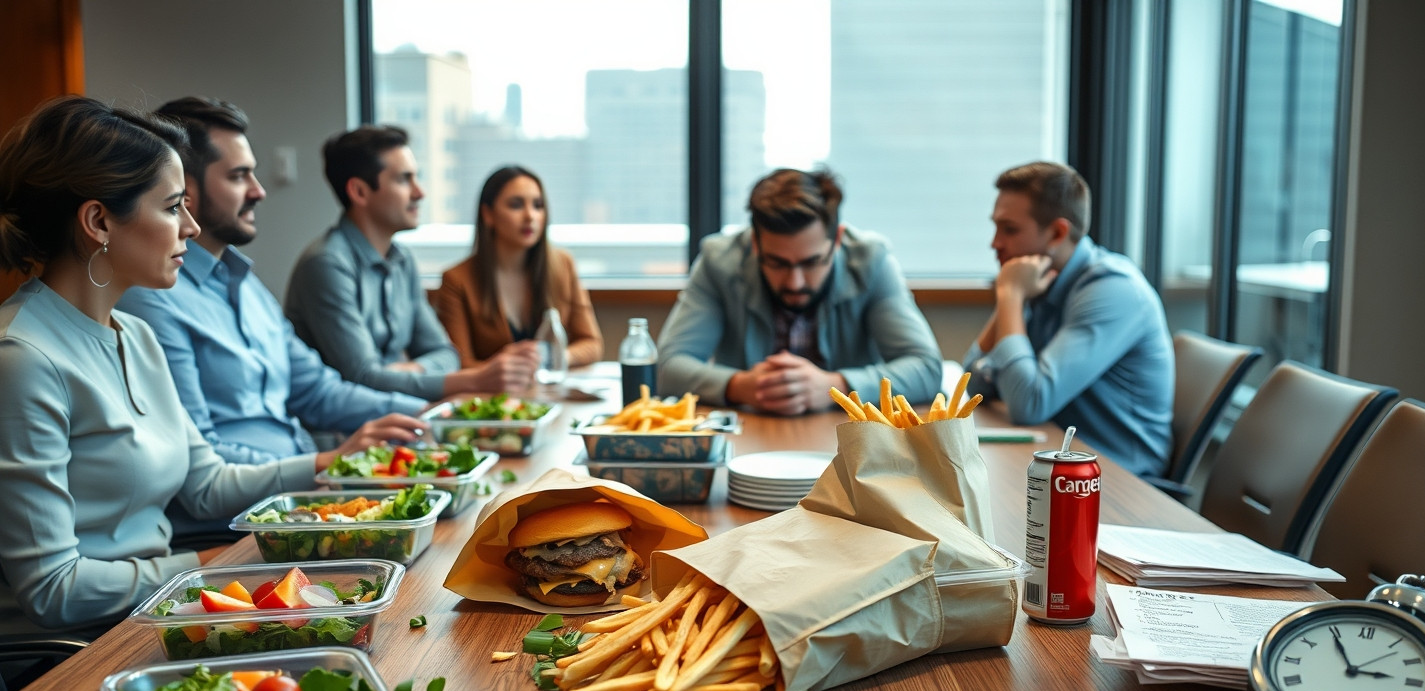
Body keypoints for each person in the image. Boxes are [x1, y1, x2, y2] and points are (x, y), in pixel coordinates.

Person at [0, 97, 317, 642]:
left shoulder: (136, 334)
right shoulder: (22, 358)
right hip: (79, 650)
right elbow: (55, 589)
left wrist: (333, 468)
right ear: (98, 221)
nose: (191, 228)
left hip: (160, 611)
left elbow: (207, 484)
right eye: (173, 208)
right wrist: (208, 565)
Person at [115, 98, 425, 491]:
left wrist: (427, 414)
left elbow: (317, 391)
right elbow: (201, 466)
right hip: (250, 509)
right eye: (238, 176)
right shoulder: (151, 298)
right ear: (184, 190)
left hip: (305, 489)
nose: (259, 191)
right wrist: (321, 466)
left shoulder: (245, 283)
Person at [658, 168, 941, 414]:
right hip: (748, 437)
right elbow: (667, 366)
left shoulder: (871, 261)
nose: (795, 282)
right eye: (777, 263)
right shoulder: (718, 261)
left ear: (837, 240)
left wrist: (835, 387)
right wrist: (740, 386)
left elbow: (926, 368)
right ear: (755, 244)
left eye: (811, 263)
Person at [961, 161, 1172, 476]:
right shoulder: (1041, 282)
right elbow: (973, 384)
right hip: (1062, 463)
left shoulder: (1112, 290)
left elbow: (1029, 404)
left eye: (1010, 229)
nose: (995, 243)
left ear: (1058, 233)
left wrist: (1010, 297)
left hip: (1119, 479)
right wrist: (1014, 297)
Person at [286, 127, 530, 395]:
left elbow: (446, 355)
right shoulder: (326, 265)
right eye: (404, 180)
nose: (419, 193)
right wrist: (473, 380)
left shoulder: (403, 260)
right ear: (359, 192)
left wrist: (407, 371)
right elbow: (363, 379)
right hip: (347, 420)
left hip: (400, 408)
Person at [436, 166, 602, 374]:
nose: (530, 216)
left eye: (538, 205)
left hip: (550, 389)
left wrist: (554, 359)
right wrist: (505, 367)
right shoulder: (456, 279)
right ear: (488, 214)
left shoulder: (563, 264)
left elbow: (592, 344)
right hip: (493, 392)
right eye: (516, 205)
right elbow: (458, 363)